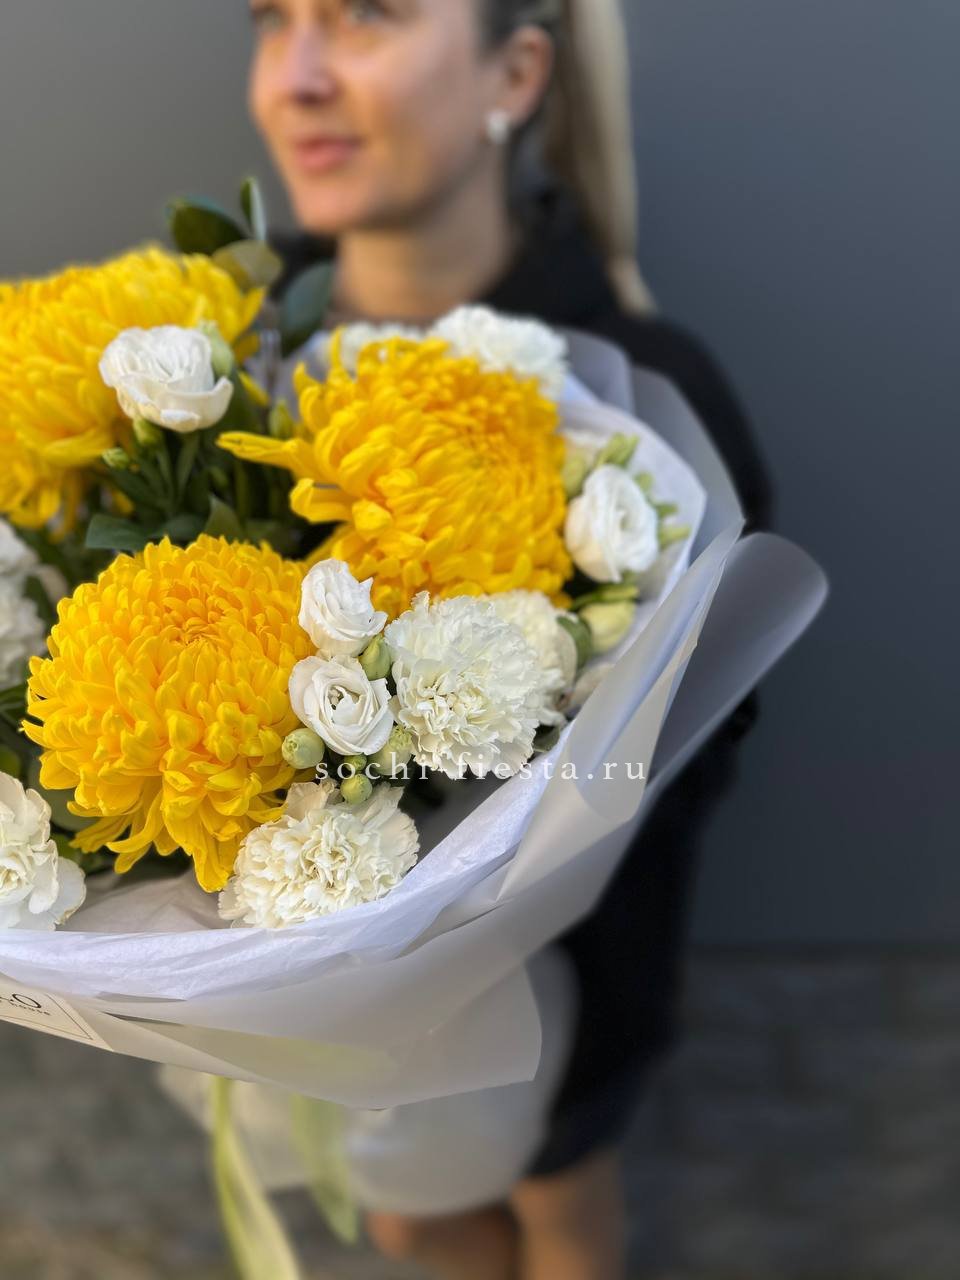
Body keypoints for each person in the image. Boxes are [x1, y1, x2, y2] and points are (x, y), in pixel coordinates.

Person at [248, 1, 773, 1277]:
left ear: (517, 73)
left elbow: (708, 728)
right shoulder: (227, 370)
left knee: (561, 1198)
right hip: (303, 981)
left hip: (575, 972)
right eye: (272, 18)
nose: (297, 76)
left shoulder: (645, 401)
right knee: (412, 1217)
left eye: (365, 14)